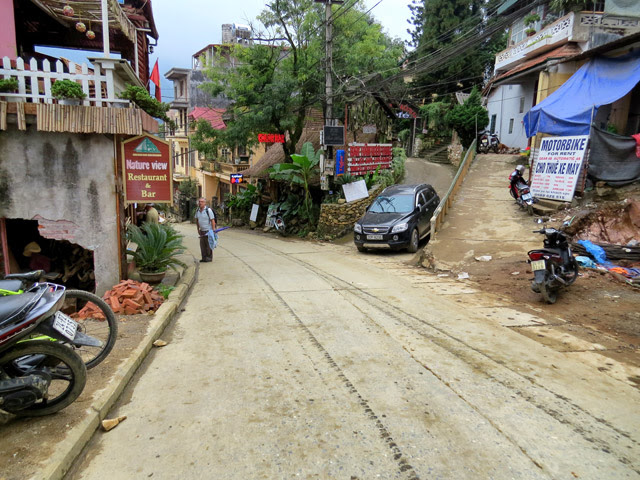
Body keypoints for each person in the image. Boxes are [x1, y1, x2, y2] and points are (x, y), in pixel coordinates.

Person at [194, 197, 216, 262]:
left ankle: (209, 258)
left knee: (208, 244)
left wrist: (213, 230)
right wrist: (198, 229)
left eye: (201, 202)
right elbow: (197, 220)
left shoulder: (208, 210)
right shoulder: (197, 210)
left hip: (208, 230)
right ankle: (204, 258)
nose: (200, 203)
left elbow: (212, 220)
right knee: (202, 245)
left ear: (205, 203)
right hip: (202, 230)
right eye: (199, 202)